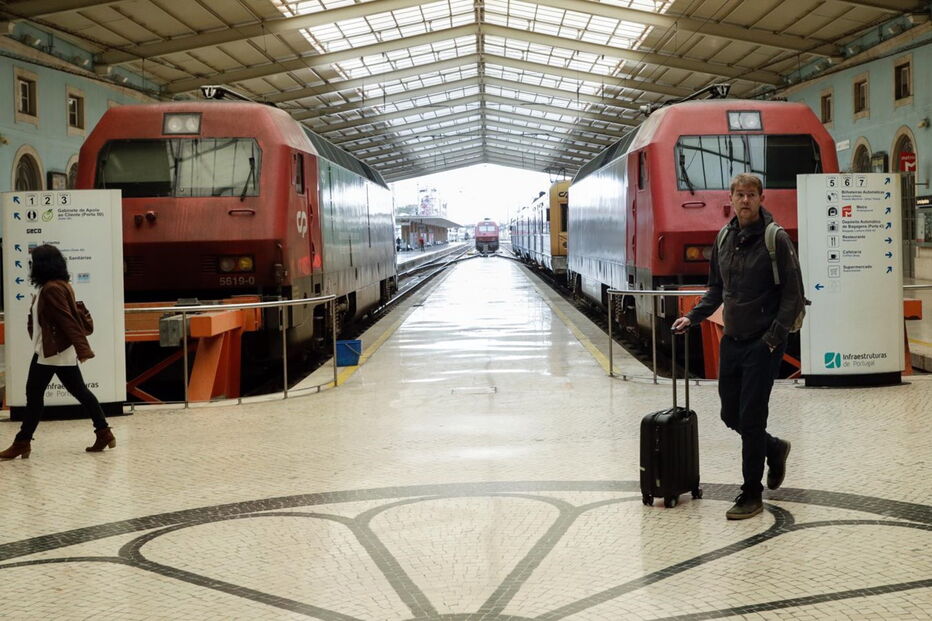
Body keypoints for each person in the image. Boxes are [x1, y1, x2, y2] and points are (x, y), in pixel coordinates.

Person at [671, 173, 801, 520]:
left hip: (764, 344)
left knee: (752, 418)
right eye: (739, 195)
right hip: (733, 340)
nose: (745, 200)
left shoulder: (777, 239)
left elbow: (792, 295)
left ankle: (751, 493)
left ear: (761, 198)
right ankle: (774, 448)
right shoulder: (725, 238)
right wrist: (694, 317)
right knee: (730, 413)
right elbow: (716, 289)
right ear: (731, 198)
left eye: (751, 195)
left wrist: (772, 338)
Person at [0, 244, 115, 460]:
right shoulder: (57, 285)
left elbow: (67, 320)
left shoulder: (52, 289)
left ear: (42, 265)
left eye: (33, 262)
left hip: (51, 353)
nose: (30, 266)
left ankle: (22, 442)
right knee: (80, 392)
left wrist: (83, 349)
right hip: (55, 351)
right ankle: (104, 432)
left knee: (34, 395)